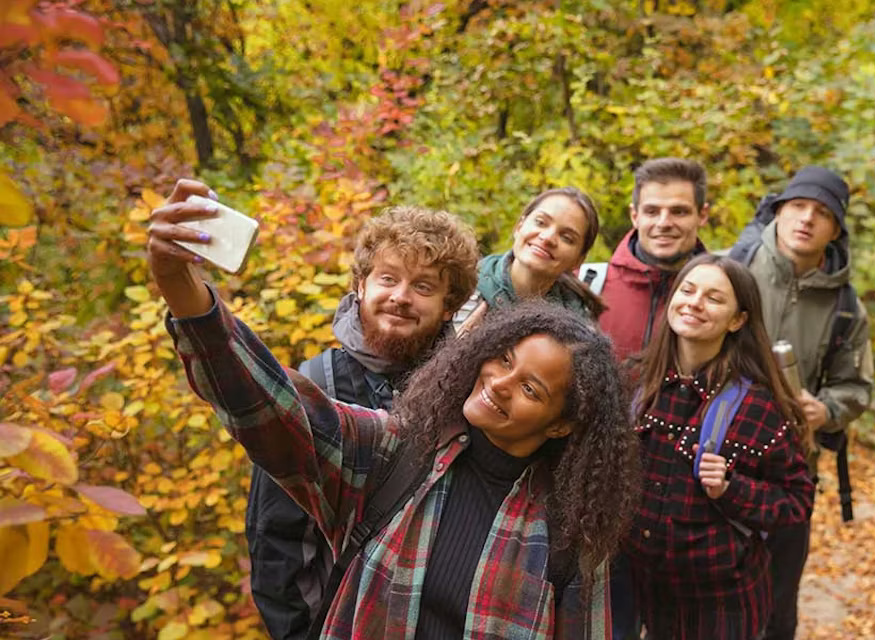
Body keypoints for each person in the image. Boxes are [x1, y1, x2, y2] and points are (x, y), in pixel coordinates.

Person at [147, 179, 639, 639]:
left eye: (531, 389)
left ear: (561, 425)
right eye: (503, 360)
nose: (499, 384)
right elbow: (267, 405)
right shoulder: (394, 452)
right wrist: (182, 287)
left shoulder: (568, 536)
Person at [244, 204, 481, 639]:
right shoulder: (315, 387)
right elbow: (275, 538)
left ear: (450, 307)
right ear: (360, 285)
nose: (401, 297)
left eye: (423, 286)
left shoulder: (468, 395)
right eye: (388, 278)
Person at [623, 253, 815, 639]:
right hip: (634, 595)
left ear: (737, 319)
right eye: (688, 290)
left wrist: (732, 489)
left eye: (713, 298)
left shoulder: (760, 407)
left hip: (719, 609)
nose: (694, 302)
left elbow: (797, 501)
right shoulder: (635, 384)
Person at [728, 166, 874, 640]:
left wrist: (826, 410)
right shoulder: (732, 267)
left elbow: (856, 386)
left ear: (836, 231)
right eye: (797, 207)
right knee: (699, 600)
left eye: (822, 213)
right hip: (713, 458)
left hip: (788, 471)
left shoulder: (846, 305)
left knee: (775, 612)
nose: (806, 219)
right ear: (779, 211)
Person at [581, 158, 709, 361]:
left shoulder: (721, 299)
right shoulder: (586, 286)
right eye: (652, 211)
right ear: (635, 215)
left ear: (702, 215)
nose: (664, 223)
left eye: (678, 212)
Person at [455, 187, 604, 332]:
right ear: (519, 227)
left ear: (578, 260)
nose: (547, 238)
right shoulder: (461, 288)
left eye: (566, 238)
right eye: (540, 222)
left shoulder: (580, 330)